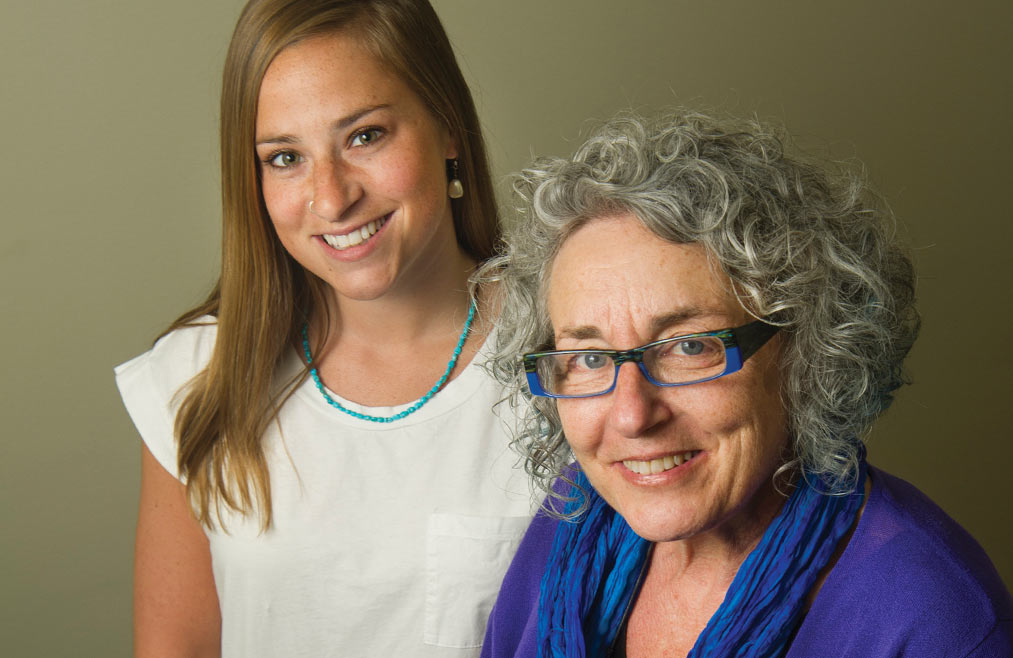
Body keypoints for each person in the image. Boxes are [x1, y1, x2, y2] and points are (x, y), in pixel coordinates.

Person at [478, 111, 1013, 657]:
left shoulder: (934, 620)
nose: (632, 417)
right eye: (588, 356)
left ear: (803, 349)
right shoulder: (574, 514)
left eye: (690, 347)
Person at [114, 1, 532, 656]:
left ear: (447, 127)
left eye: (365, 136)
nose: (332, 199)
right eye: (285, 157)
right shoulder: (196, 378)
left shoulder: (573, 357)